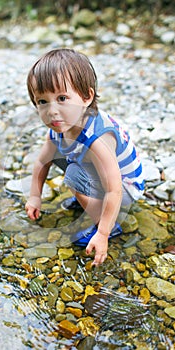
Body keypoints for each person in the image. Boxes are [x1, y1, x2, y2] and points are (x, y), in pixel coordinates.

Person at [25, 48, 144, 266]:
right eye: (42, 101)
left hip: (126, 187)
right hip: (101, 174)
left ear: (87, 97)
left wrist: (103, 233)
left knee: (72, 174)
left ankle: (108, 221)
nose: (52, 111)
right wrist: (35, 196)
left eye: (62, 98)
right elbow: (42, 161)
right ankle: (89, 199)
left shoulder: (96, 139)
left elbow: (114, 189)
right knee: (56, 154)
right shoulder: (59, 128)